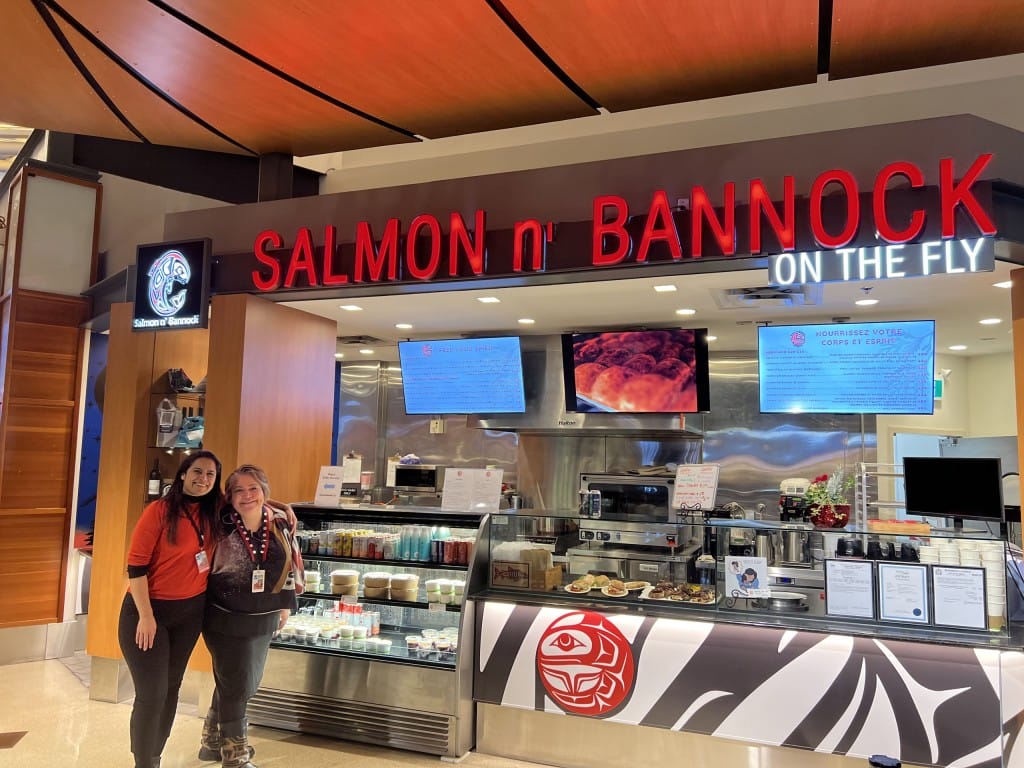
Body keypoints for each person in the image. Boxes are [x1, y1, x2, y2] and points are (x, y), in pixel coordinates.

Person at [118, 450, 224, 768]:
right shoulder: (159, 511)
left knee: (171, 689)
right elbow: (135, 567)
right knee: (151, 694)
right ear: (182, 474)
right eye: (197, 471)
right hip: (147, 614)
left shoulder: (215, 512)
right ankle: (143, 762)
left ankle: (155, 756)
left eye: (210, 475)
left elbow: (253, 504)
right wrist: (147, 617)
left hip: (189, 613)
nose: (202, 479)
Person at [200, 464, 301, 768]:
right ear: (228, 497)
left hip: (265, 615)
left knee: (237, 678)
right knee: (237, 681)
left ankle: (211, 742)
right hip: (224, 616)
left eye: (253, 489)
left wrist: (285, 605)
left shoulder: (281, 521)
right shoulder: (219, 523)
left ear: (264, 492)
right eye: (238, 490)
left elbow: (293, 564)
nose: (247, 496)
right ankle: (235, 755)